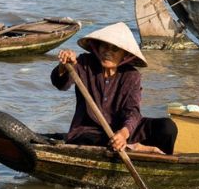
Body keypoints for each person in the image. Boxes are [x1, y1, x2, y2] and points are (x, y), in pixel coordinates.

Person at [52, 22, 178, 154]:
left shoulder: (131, 76)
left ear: (125, 55)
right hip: (90, 132)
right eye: (104, 46)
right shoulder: (84, 63)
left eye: (114, 49)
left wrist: (123, 133)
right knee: (97, 141)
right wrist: (65, 66)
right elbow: (61, 84)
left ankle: (157, 165)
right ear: (97, 47)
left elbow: (132, 110)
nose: (107, 52)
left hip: (123, 129)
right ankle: (136, 148)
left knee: (167, 128)